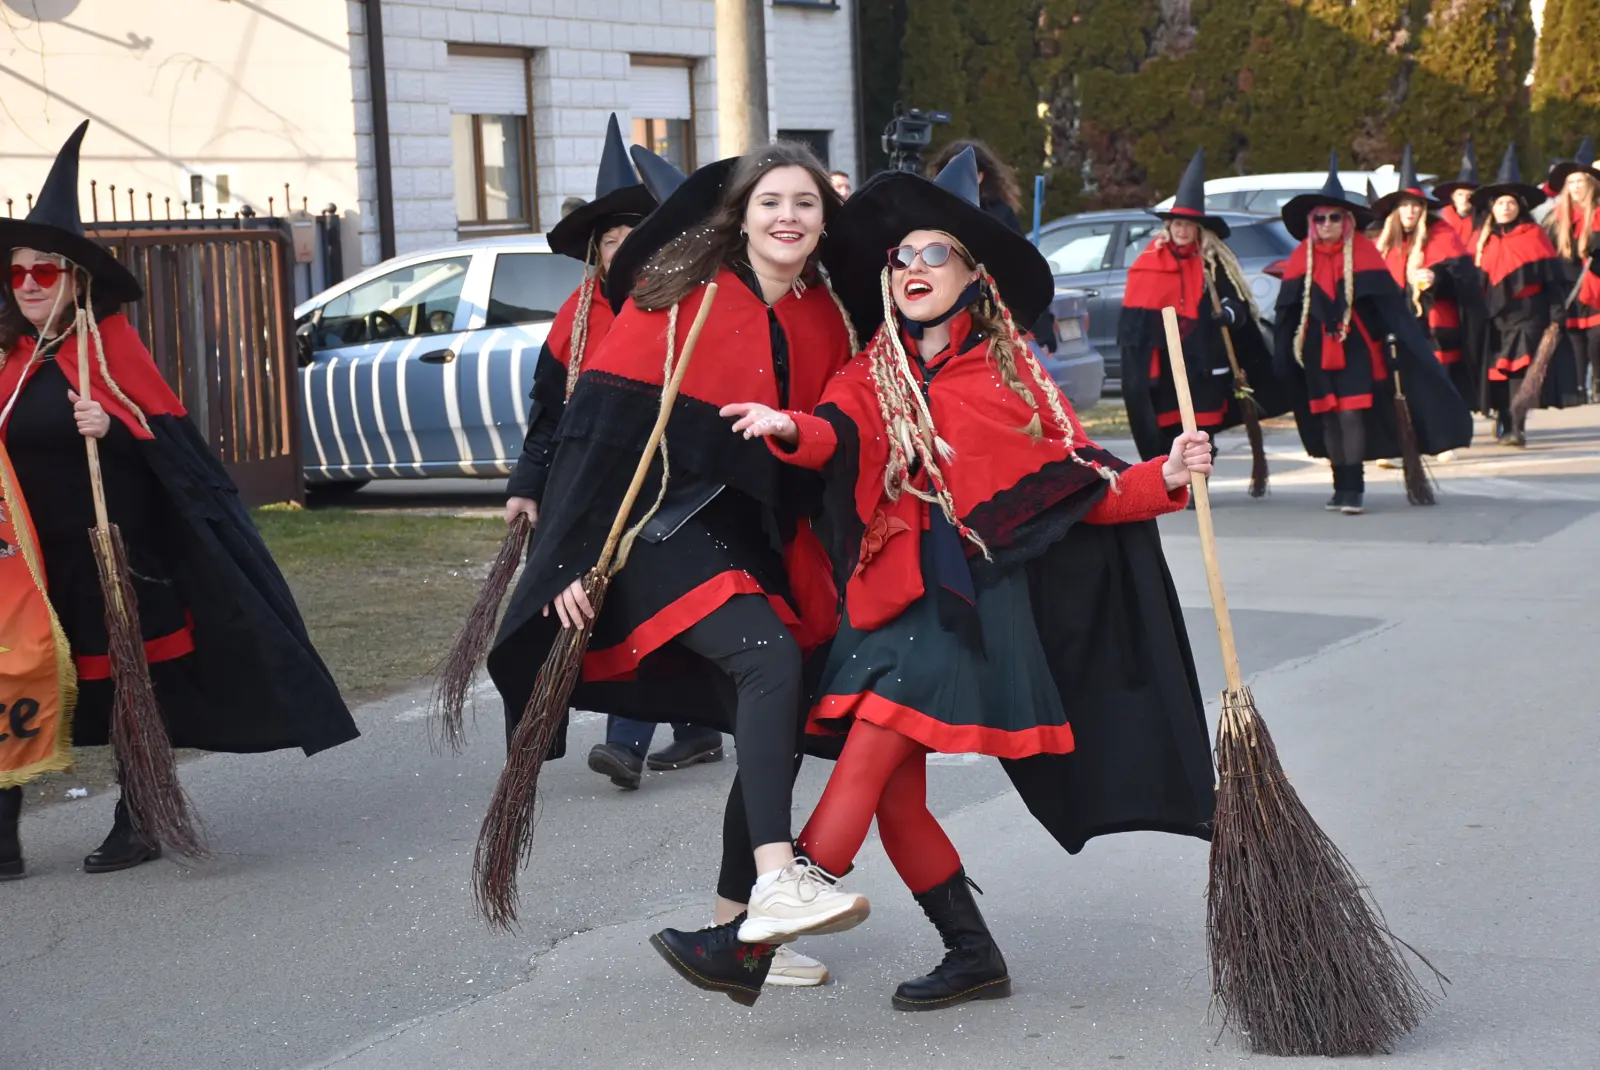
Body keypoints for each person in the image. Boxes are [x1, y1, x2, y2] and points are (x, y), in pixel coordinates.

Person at [657, 147, 1218, 1011]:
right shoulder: (876, 367)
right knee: (896, 800)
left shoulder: (1009, 374)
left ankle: (754, 939)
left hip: (967, 610)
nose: (912, 269)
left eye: (933, 254)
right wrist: (784, 426)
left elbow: (1081, 489)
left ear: (971, 273)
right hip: (887, 603)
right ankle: (972, 953)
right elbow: (835, 430)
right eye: (900, 257)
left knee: (879, 734)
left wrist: (1167, 476)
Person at [485, 142, 859, 999]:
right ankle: (776, 878)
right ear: (741, 216)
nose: (788, 217)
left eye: (805, 203)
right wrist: (566, 565)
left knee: (780, 702)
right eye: (770, 202)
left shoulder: (827, 319)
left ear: (823, 221)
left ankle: (737, 934)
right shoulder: (681, 300)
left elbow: (840, 438)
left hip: (755, 541)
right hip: (653, 533)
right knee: (767, 657)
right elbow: (593, 436)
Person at [0, 122, 357, 878]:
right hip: (26, 571)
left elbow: (176, 463)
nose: (29, 286)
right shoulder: (10, 362)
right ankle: (2, 835)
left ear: (79, 280)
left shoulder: (110, 351)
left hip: (110, 557)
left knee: (131, 689)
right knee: (10, 683)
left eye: (46, 272)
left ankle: (140, 818)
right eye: (17, 274)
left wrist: (118, 432)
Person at [502, 114, 723, 791]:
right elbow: (546, 416)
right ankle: (696, 727)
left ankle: (629, 740)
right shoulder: (575, 316)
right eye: (613, 241)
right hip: (591, 482)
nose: (624, 252)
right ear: (597, 251)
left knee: (642, 592)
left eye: (639, 239)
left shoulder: (687, 308)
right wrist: (528, 484)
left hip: (669, 481)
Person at [1274, 153, 1473, 512]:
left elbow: (1391, 308)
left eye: (1335, 217)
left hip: (1357, 351)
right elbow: (1286, 314)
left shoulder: (1364, 253)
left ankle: (1355, 489)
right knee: (1328, 415)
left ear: (1347, 221)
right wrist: (1281, 360)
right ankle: (1340, 484)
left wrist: (1407, 344)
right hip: (1317, 350)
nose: (1327, 223)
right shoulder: (1300, 257)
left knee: (1350, 414)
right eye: (1320, 218)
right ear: (1311, 223)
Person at [1119, 146, 1292, 469]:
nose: (1181, 230)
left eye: (1188, 225)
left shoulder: (1213, 263)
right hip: (1165, 366)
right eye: (1176, 224)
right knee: (1171, 424)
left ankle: (1201, 478)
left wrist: (1227, 313)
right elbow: (1133, 328)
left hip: (1205, 362)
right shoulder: (1146, 265)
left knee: (1201, 426)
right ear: (1168, 227)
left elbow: (1239, 305)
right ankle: (1180, 478)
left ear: (1199, 228)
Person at [1370, 144, 1487, 440]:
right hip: (1396, 324)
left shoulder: (1443, 236)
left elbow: (1466, 279)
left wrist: (1437, 277)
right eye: (1405, 205)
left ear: (1423, 209)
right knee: (1400, 382)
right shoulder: (1383, 244)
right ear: (1396, 211)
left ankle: (1443, 434)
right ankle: (1404, 436)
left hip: (1436, 324)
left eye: (1415, 205)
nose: (1410, 211)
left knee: (1437, 381)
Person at [1470, 144, 1574, 446]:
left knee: (1521, 372)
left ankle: (1517, 424)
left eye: (1511, 203)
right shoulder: (1481, 241)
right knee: (1497, 373)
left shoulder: (1534, 236)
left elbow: (1552, 279)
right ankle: (1503, 416)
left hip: (1528, 313)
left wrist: (1556, 312)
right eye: (1500, 202)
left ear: (1519, 207)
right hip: (1493, 315)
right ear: (1492, 207)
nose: (1506, 207)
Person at [926, 139, 1058, 354]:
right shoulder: (929, 214)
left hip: (989, 320)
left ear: (980, 176)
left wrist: (1042, 330)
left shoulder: (999, 216)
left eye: (963, 172)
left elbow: (1024, 271)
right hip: (940, 321)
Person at [1543, 138, 1600, 403]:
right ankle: (1579, 386)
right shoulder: (1556, 216)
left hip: (1595, 283)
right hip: (1568, 285)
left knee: (1596, 339)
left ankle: (1597, 379)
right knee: (1575, 338)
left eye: (1581, 181)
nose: (1576, 186)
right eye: (1572, 182)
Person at [1434, 138, 1481, 248]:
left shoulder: (1483, 222)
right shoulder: (1440, 222)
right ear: (1453, 197)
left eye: (1469, 195)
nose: (1464, 200)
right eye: (1460, 195)